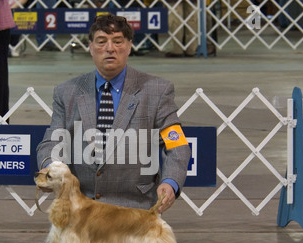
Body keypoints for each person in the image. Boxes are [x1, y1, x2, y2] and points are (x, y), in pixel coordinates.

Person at [37, 14, 191, 214]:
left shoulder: (158, 91)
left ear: (129, 46)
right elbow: (51, 141)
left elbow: (177, 145)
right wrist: (50, 167)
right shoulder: (66, 92)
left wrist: (170, 183)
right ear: (90, 47)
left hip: (136, 210)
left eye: (118, 41)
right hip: (80, 207)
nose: (110, 48)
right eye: (101, 42)